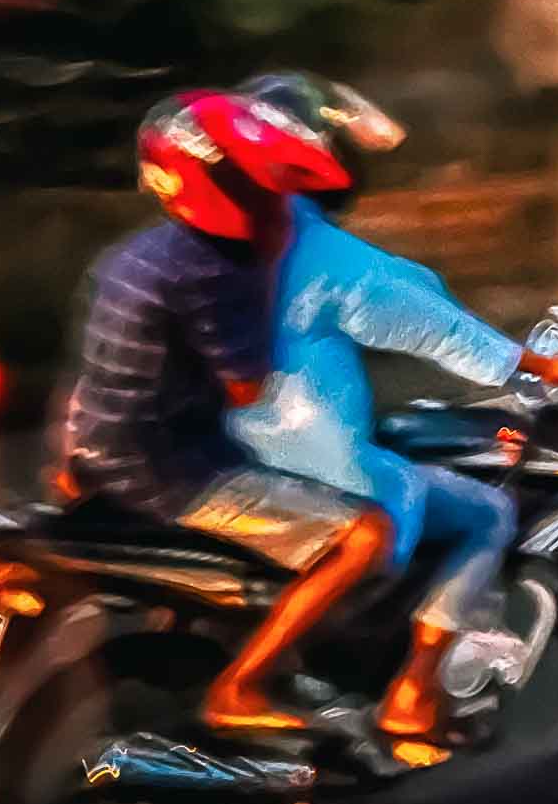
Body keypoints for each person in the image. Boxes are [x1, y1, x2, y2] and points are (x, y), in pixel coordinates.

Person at [228, 71, 558, 740]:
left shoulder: (209, 243)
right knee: (488, 511)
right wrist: (551, 363)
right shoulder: (325, 254)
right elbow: (441, 329)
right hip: (302, 465)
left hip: (221, 453)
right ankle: (412, 693)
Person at [56, 89, 395, 732]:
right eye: (275, 197)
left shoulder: (137, 254)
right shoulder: (217, 273)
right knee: (365, 533)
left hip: (102, 447)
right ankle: (238, 687)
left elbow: (95, 377)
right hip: (170, 469)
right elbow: (247, 390)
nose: (287, 214)